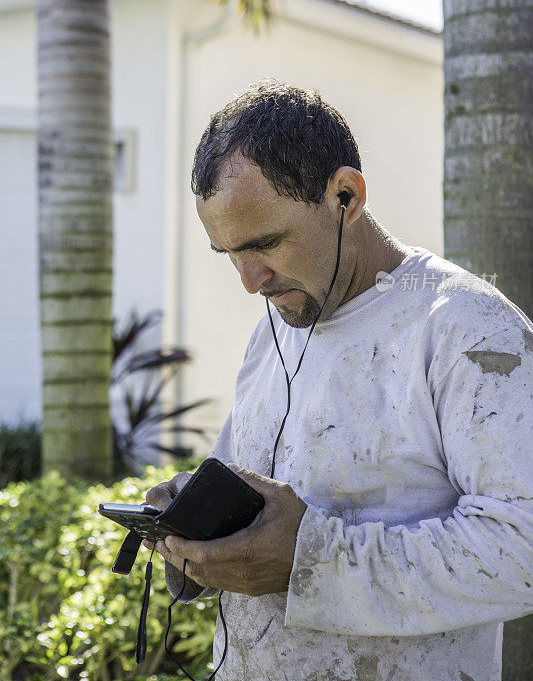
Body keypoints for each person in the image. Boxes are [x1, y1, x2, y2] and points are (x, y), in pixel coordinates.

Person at [145, 81, 533, 681]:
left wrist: (311, 560)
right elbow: (246, 490)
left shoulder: (465, 327)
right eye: (228, 254)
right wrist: (191, 527)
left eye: (266, 243)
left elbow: (522, 547)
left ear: (345, 195)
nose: (250, 280)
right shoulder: (274, 326)